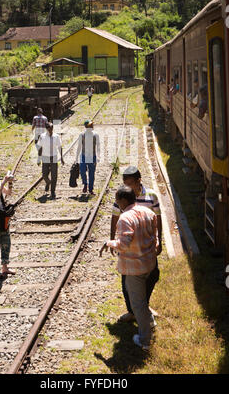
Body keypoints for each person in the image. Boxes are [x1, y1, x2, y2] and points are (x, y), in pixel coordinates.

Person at [100, 186, 158, 351]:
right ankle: (150, 323)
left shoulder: (125, 218)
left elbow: (124, 245)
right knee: (141, 298)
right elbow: (155, 237)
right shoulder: (148, 213)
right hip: (149, 263)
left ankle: (145, 341)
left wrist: (109, 243)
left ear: (124, 200)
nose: (117, 204)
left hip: (135, 268)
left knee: (137, 304)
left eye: (118, 201)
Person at [110, 166, 162, 323]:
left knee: (152, 276)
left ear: (139, 180)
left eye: (130, 183)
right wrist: (112, 239)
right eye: (125, 183)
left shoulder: (151, 196)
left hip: (147, 247)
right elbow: (114, 218)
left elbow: (158, 220)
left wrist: (161, 241)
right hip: (128, 249)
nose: (128, 186)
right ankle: (132, 311)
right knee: (127, 281)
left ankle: (143, 306)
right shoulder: (123, 197)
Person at [37, 122, 64, 199]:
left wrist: (61, 157)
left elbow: (59, 147)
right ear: (46, 128)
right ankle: (48, 182)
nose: (51, 130)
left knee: (54, 175)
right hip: (45, 157)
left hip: (54, 157)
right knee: (44, 175)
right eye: (49, 128)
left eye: (52, 128)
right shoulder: (42, 136)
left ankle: (53, 191)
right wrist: (39, 158)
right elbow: (40, 148)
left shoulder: (56, 136)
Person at [75, 120, 100, 195]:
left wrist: (98, 156)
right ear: (86, 127)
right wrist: (76, 157)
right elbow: (79, 146)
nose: (92, 126)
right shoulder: (82, 135)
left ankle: (91, 188)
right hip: (83, 155)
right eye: (90, 125)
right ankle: (85, 183)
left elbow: (98, 146)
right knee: (82, 171)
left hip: (92, 156)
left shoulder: (95, 135)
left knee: (91, 173)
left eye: (92, 125)